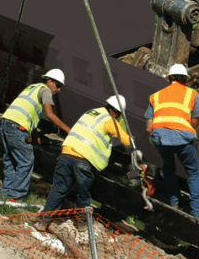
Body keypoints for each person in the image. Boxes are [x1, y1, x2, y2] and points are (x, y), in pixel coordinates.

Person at [37, 95, 133, 229]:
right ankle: (81, 224)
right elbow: (128, 141)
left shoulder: (92, 112)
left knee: (58, 189)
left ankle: (43, 221)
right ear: (116, 112)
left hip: (66, 153)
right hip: (83, 159)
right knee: (83, 194)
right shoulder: (110, 121)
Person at [146, 64, 199, 221]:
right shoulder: (192, 94)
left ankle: (174, 202)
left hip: (159, 138)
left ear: (169, 79)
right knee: (194, 171)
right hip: (181, 138)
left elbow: (149, 127)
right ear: (186, 80)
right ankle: (197, 212)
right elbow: (195, 122)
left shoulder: (156, 96)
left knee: (168, 167)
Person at [0, 69, 72, 202]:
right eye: (58, 85)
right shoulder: (45, 90)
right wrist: (67, 129)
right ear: (50, 81)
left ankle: (5, 194)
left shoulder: (33, 88)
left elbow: (28, 114)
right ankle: (16, 197)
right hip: (17, 126)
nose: (59, 90)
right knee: (26, 161)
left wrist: (37, 137)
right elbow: (50, 114)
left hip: (7, 122)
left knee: (11, 160)